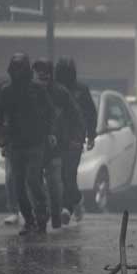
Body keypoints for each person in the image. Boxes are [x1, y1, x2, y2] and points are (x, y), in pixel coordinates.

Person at [0, 53, 55, 235]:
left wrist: (48, 132)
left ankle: (41, 217)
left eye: (21, 68)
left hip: (35, 142)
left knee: (33, 180)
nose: (18, 72)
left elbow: (50, 112)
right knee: (18, 185)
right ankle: (29, 220)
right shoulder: (6, 91)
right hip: (16, 143)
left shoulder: (37, 90)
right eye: (15, 68)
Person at [33, 59, 84, 230]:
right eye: (39, 71)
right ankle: (41, 214)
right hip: (35, 144)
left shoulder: (62, 92)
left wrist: (78, 137)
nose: (43, 75)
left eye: (46, 72)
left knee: (60, 179)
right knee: (34, 180)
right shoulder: (28, 91)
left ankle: (59, 213)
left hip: (62, 143)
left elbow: (78, 115)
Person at [54, 58, 97, 223]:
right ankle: (77, 200)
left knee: (69, 174)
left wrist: (91, 135)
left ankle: (67, 208)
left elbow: (91, 114)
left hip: (75, 138)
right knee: (60, 175)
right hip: (57, 138)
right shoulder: (54, 90)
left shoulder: (81, 90)